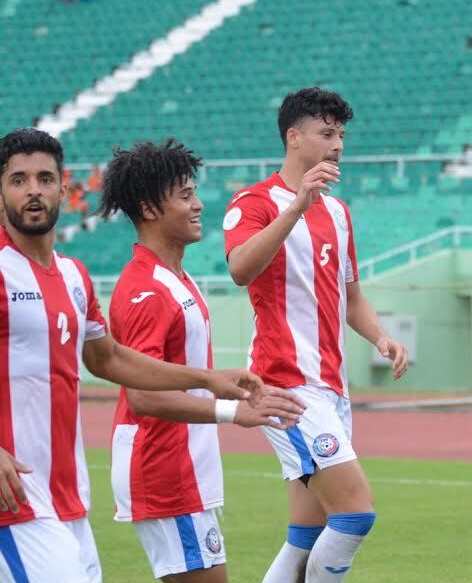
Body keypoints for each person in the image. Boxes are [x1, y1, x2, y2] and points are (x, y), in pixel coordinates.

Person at [0, 128, 274, 583]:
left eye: (45, 179)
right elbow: (137, 393)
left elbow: (109, 359)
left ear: (63, 190)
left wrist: (209, 380)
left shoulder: (73, 276)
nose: (33, 190)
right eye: (18, 180)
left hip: (67, 498)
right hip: (16, 501)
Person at [223, 88, 408, 583]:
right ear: (293, 136)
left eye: (341, 135)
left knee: (307, 532)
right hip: (286, 383)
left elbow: (351, 295)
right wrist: (296, 207)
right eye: (327, 133)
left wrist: (380, 338)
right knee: (355, 514)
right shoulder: (253, 202)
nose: (338, 145)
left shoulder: (338, 213)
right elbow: (240, 269)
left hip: (331, 386)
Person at [100, 139, 307, 582]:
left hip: (184, 469)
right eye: (185, 195)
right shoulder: (147, 290)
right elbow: (142, 397)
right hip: (164, 470)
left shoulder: (177, 278)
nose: (198, 205)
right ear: (149, 209)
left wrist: (228, 389)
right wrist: (232, 411)